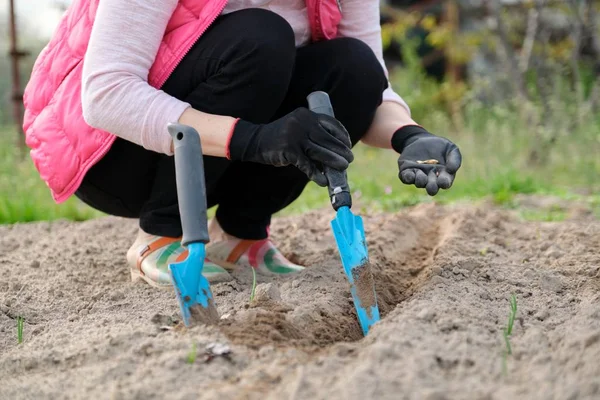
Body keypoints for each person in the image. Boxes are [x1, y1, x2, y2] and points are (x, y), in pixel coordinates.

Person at [22, 0, 462, 288]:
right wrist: (255, 138)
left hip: (222, 152)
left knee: (352, 65)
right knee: (260, 36)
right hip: (112, 154)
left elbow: (372, 89)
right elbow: (106, 96)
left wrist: (410, 135)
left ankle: (241, 234)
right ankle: (161, 232)